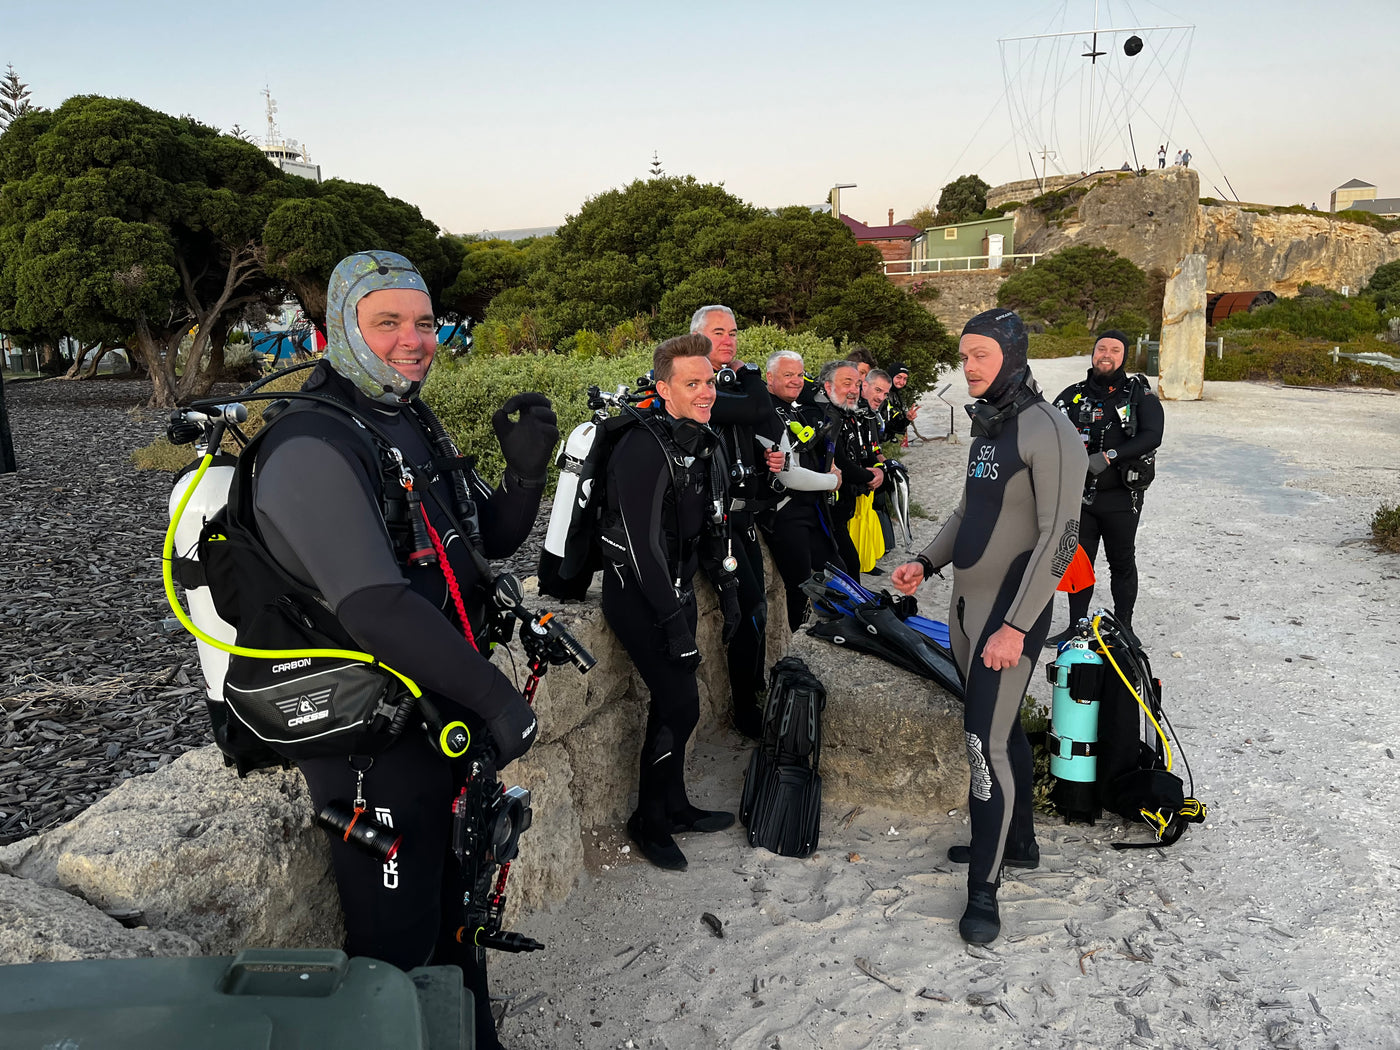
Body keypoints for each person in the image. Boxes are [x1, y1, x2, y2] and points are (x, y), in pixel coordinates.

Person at [251, 251, 557, 1049]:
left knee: (460, 910)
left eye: (423, 322)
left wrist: (525, 477)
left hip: (434, 708)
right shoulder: (312, 440)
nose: (412, 339)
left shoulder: (405, 419)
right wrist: (496, 698)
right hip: (371, 742)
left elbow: (482, 544)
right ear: (337, 329)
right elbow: (373, 605)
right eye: (387, 321)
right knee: (398, 943)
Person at [890, 308, 1085, 945]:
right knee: (1000, 732)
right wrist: (926, 561)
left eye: (980, 355)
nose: (968, 366)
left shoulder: (1048, 430)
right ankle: (1017, 841)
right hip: (967, 612)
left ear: (1012, 355)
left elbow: (1061, 538)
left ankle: (984, 890)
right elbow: (967, 511)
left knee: (984, 745)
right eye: (964, 355)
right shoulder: (991, 424)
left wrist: (1016, 627)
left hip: (1008, 620)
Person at [601, 333, 740, 871]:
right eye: (692, 383)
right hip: (639, 598)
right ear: (664, 389)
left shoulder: (696, 440)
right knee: (681, 705)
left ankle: (675, 806)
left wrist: (728, 592)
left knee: (673, 705)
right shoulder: (643, 448)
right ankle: (649, 821)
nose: (706, 392)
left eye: (709, 381)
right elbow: (642, 549)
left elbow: (709, 526)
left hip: (675, 592)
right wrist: (673, 625)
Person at [691, 305, 783, 738]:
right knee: (747, 610)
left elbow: (760, 421)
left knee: (757, 605)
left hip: (740, 517)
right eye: (718, 332)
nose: (728, 340)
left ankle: (756, 693)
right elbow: (758, 406)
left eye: (732, 332)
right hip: (714, 525)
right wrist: (749, 373)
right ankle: (745, 711)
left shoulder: (722, 382)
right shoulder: (699, 388)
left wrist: (766, 459)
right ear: (697, 338)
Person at [1045, 330, 1164, 646]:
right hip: (1080, 497)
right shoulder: (1072, 395)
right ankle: (1077, 626)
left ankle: (1124, 627)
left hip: (1122, 498)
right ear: (1093, 352)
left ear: (1124, 356)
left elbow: (1153, 434)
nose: (1106, 355)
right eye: (1101, 348)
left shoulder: (1139, 396)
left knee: (1121, 562)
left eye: (1114, 350)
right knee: (1079, 561)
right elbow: (1046, 430)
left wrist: (1110, 456)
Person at [760, 349, 841, 629]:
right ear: (770, 378)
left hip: (810, 507)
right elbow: (789, 476)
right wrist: (832, 481)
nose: (796, 381)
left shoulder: (794, 408)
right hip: (784, 513)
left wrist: (832, 469)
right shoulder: (765, 412)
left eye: (799, 375)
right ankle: (795, 643)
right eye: (788, 375)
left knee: (838, 571)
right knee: (799, 588)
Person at [815, 359, 883, 576]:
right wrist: (871, 476)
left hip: (843, 507)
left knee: (850, 564)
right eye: (847, 384)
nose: (854, 390)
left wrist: (879, 469)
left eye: (857, 384)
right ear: (828, 386)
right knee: (849, 566)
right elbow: (841, 461)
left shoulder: (845, 412)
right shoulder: (824, 415)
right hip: (825, 511)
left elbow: (863, 450)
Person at [883, 363, 920, 447]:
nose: (902, 382)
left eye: (905, 379)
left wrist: (907, 419)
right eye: (898, 377)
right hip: (880, 444)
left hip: (890, 442)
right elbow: (882, 425)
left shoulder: (896, 395)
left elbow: (897, 426)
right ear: (891, 376)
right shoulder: (882, 395)